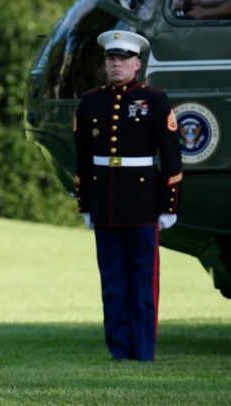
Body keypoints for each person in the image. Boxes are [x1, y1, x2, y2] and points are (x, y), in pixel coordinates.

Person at [72, 30, 183, 362]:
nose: (116, 64)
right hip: (104, 202)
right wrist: (85, 204)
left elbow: (171, 156)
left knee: (143, 283)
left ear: (137, 63)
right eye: (111, 58)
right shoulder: (90, 101)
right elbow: (83, 158)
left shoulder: (155, 100)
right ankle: (119, 351)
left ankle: (144, 352)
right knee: (112, 282)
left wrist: (169, 206)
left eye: (123, 59)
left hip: (143, 203)